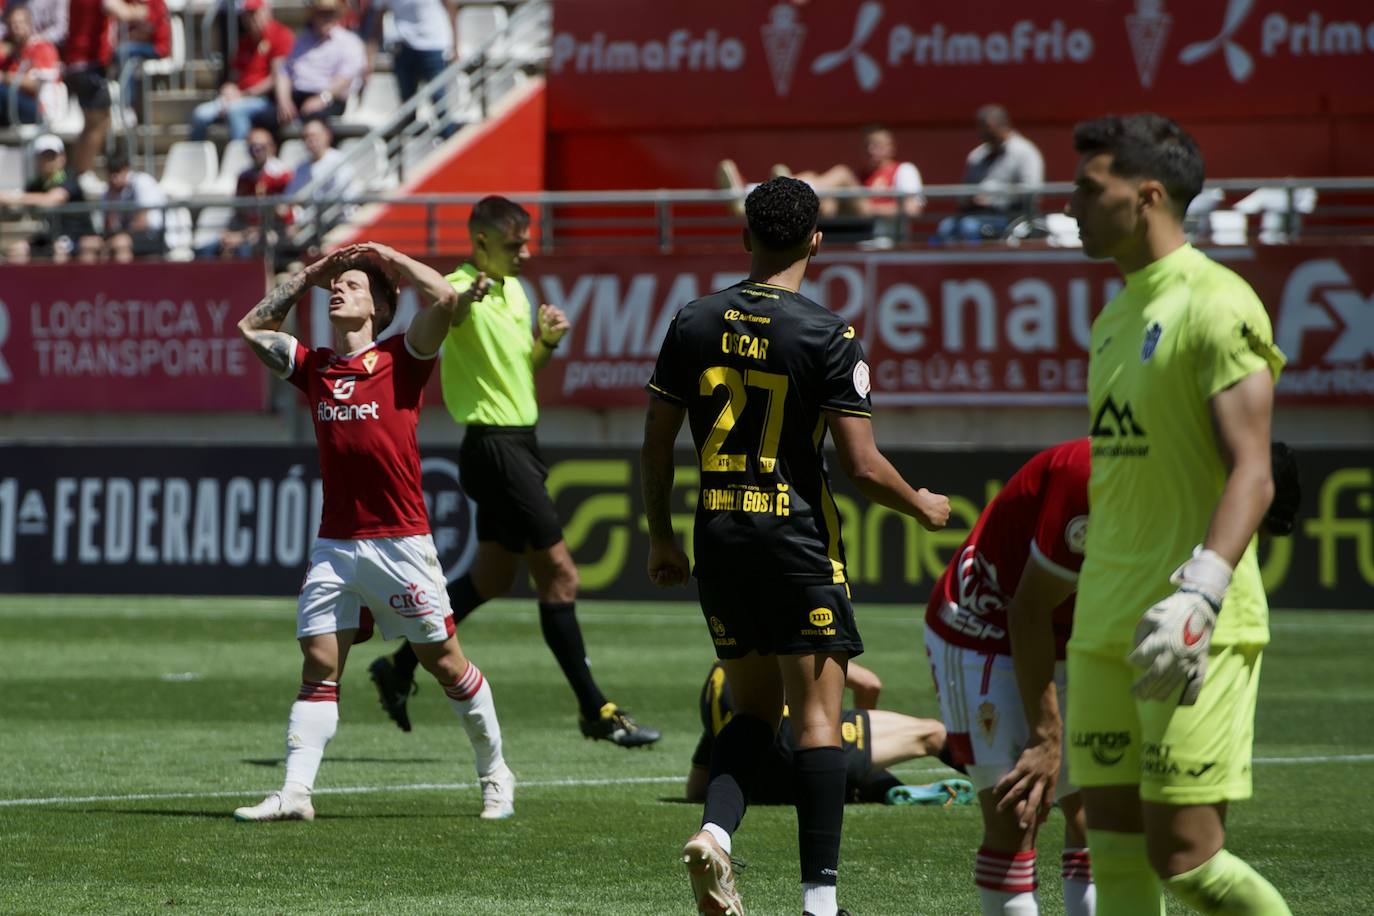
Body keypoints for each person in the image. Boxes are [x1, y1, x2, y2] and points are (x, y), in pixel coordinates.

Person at [641, 176, 951, 916]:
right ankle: (819, 901)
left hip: (720, 536)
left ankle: (716, 832)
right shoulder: (827, 335)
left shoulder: (691, 321)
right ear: (818, 241)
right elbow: (862, 465)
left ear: (745, 236)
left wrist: (661, 533)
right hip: (797, 543)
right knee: (816, 718)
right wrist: (921, 506)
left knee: (750, 709)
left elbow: (656, 445)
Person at [1065, 113, 1290, 914]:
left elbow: (1254, 473)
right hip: (1103, 628)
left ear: (1148, 194)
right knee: (1114, 853)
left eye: (1090, 190)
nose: (1071, 206)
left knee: (1187, 861)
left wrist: (1201, 591)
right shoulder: (1115, 316)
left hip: (1189, 622)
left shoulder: (1218, 304)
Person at [232, 241, 515, 823]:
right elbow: (252, 327)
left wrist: (387, 254)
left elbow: (444, 296)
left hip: (400, 542)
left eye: (354, 285)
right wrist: (311, 274)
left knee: (445, 664)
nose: (340, 289)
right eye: (338, 285)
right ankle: (295, 793)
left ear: (379, 309)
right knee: (318, 663)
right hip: (335, 543)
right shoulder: (315, 369)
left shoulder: (402, 358)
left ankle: (495, 774)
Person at [367, 196, 664, 748]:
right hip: (493, 447)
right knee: (562, 575)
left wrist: (546, 343)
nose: (525, 252)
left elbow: (522, 368)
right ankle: (594, 709)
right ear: (481, 244)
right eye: (513, 244)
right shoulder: (458, 286)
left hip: (519, 444)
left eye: (526, 242)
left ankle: (400, 665)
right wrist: (462, 298)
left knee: (492, 579)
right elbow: (445, 310)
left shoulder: (516, 292)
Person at [924, 438, 1097, 916]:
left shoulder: (1180, 482)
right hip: (983, 627)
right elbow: (1029, 611)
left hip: (1071, 631)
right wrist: (1046, 736)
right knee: (1017, 815)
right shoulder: (1092, 479)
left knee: (1096, 814)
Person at [689, 660, 973, 808]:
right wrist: (856, 739)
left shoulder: (719, 679)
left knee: (841, 761)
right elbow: (869, 685)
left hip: (764, 786)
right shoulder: (780, 642)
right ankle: (1006, 785)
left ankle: (876, 785)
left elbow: (696, 789)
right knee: (932, 734)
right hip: (793, 742)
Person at [717, 124, 925, 221]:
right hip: (849, 221)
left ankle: (755, 190)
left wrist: (872, 207)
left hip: (875, 222)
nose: (871, 151)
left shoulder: (903, 170)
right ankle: (759, 197)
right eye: (868, 146)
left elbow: (914, 210)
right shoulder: (861, 174)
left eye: (877, 145)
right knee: (818, 188)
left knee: (841, 174)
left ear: (891, 147)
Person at [188, 0, 293, 141]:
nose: (251, 19)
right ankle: (196, 160)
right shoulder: (244, 42)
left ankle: (239, 158)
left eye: (254, 13)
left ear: (267, 12)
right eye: (247, 15)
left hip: (265, 100)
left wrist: (244, 94)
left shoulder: (280, 34)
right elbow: (235, 77)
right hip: (240, 97)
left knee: (236, 111)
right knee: (200, 114)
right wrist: (229, 89)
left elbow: (278, 76)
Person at [938, 105, 1045, 242]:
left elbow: (1032, 192)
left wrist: (994, 198)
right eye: (981, 130)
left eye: (989, 130)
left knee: (969, 227)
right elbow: (964, 191)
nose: (984, 135)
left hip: (1010, 216)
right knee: (946, 227)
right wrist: (970, 198)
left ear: (1003, 126)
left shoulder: (1024, 152)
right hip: (976, 213)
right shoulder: (978, 155)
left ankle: (976, 263)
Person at [0, 134, 102, 264]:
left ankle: (66, 285)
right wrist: (7, 203)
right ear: (36, 159)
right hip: (49, 237)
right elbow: (21, 205)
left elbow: (52, 200)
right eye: (44, 156)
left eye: (52, 156)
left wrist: (11, 197)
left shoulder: (70, 177)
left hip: (77, 236)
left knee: (59, 250)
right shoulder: (35, 185)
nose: (48, 161)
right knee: (17, 250)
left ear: (62, 158)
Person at [203, 124, 292, 258]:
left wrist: (242, 236)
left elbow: (281, 217)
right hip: (246, 231)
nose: (257, 151)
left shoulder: (281, 175)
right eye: (252, 147)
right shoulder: (244, 177)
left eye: (261, 147)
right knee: (208, 250)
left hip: (271, 232)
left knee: (246, 249)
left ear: (272, 147)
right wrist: (229, 233)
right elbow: (239, 213)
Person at [274, 0, 366, 127]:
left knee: (314, 120)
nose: (325, 18)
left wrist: (322, 99)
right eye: (321, 13)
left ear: (336, 16)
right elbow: (284, 72)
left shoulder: (349, 42)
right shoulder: (300, 41)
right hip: (298, 97)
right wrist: (284, 101)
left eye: (329, 13)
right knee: (264, 118)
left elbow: (345, 78)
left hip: (330, 100)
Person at [365, 0, 457, 103]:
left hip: (434, 46)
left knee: (439, 100)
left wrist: (455, 47)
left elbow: (451, 9)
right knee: (407, 105)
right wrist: (370, 58)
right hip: (404, 49)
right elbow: (377, 23)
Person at [0, 5, 60, 128]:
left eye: (20, 23)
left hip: (40, 109)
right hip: (14, 108)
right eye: (11, 24)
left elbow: (36, 84)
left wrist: (4, 77)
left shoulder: (42, 48)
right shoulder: (11, 55)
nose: (16, 28)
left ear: (29, 24)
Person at [103, 152, 168, 261]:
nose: (113, 178)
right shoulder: (108, 193)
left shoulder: (142, 182)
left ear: (126, 169)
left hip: (156, 235)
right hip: (130, 236)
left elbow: (143, 223)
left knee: (120, 243)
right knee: (93, 245)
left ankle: (123, 278)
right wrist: (111, 200)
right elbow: (110, 227)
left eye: (117, 172)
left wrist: (114, 240)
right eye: (110, 173)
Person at [109, 0, 169, 119]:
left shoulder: (156, 2)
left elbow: (149, 27)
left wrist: (134, 17)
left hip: (156, 48)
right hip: (131, 50)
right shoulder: (128, 2)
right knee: (123, 57)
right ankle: (119, 107)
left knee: (124, 51)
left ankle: (127, 107)